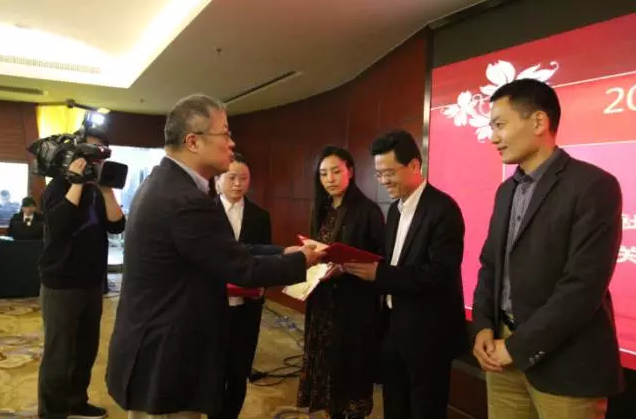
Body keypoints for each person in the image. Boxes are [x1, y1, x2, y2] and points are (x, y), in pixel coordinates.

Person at [106, 94, 324, 419]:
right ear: (193, 142)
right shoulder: (184, 200)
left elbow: (218, 249)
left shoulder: (166, 184)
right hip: (166, 356)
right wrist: (302, 260)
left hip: (157, 345)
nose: (232, 143)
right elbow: (241, 267)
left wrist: (282, 252)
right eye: (225, 133)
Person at [472, 79, 624, 419]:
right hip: (500, 352)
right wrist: (482, 326)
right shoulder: (506, 191)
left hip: (565, 361)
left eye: (500, 125)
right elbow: (490, 265)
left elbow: (582, 287)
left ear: (539, 122)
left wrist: (517, 347)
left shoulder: (593, 185)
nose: (493, 137)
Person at [344, 130, 468, 419]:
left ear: (414, 165)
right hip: (394, 328)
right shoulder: (395, 211)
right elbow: (395, 261)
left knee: (425, 409)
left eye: (389, 172)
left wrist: (380, 275)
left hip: (428, 334)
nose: (384, 180)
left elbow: (439, 273)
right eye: (379, 174)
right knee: (395, 406)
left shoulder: (443, 209)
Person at [38, 132, 126, 419]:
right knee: (59, 354)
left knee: (85, 350)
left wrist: (107, 191)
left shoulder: (97, 191)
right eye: (91, 152)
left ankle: (76, 401)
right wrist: (75, 183)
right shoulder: (56, 187)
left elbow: (117, 226)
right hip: (60, 284)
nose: (95, 159)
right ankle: (52, 412)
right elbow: (60, 226)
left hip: (91, 283)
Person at [297, 146, 385, 419]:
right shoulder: (321, 209)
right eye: (323, 174)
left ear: (351, 171)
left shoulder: (368, 211)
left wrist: (344, 268)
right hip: (322, 302)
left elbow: (380, 259)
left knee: (350, 370)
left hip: (352, 306)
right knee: (326, 368)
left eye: (336, 171)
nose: (330, 179)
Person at [211, 152, 273, 419]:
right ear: (217, 180)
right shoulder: (204, 213)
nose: (238, 184)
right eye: (232, 177)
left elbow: (266, 259)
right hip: (211, 307)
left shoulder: (260, 216)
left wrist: (262, 286)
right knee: (212, 369)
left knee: (239, 369)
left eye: (244, 178)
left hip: (247, 307)